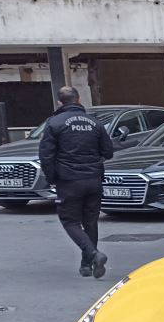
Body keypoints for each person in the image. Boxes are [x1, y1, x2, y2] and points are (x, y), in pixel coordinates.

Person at [38, 86, 114, 278]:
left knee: (70, 221)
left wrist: (52, 178)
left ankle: (94, 255)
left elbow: (46, 156)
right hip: (94, 179)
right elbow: (108, 152)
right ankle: (87, 265)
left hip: (69, 180)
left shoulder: (54, 123)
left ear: (59, 102)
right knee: (91, 222)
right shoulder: (94, 123)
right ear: (78, 99)